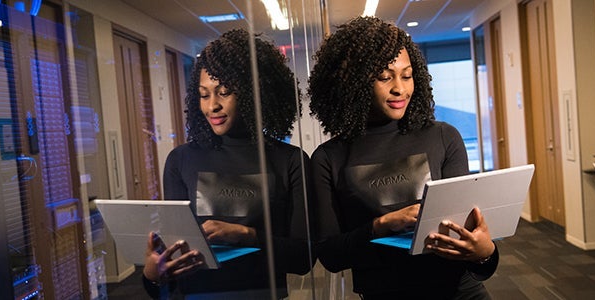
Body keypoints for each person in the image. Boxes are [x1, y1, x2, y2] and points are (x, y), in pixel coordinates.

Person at [308, 16, 498, 299]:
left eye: (407, 75)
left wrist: (485, 253)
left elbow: (468, 238)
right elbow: (331, 256)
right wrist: (382, 225)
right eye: (385, 77)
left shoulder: (444, 137)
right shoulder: (328, 158)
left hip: (458, 292)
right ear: (354, 83)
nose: (400, 88)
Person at [141, 28, 312, 299]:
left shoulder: (289, 160)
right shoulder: (181, 160)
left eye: (224, 92)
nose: (212, 106)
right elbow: (172, 262)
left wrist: (246, 235)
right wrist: (152, 274)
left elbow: (303, 258)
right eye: (204, 94)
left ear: (253, 93)